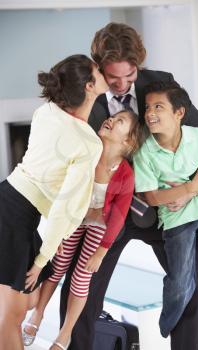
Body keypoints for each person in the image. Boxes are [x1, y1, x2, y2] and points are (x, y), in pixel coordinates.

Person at [60, 23, 198, 350]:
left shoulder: (160, 84)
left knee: (190, 289)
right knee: (81, 288)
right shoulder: (83, 92)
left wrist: (192, 186)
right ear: (99, 66)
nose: (120, 85)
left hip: (159, 209)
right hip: (105, 211)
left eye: (128, 76)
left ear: (139, 66)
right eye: (112, 77)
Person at [0, 54, 108, 350]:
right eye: (97, 69)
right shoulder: (88, 143)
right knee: (11, 317)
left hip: (7, 199)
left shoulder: (45, 111)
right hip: (16, 218)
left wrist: (47, 246)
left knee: (24, 302)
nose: (102, 70)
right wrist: (41, 258)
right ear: (89, 86)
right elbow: (67, 208)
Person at [23, 109, 142, 350]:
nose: (110, 119)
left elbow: (117, 218)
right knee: (57, 266)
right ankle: (38, 313)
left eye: (119, 121)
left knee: (81, 277)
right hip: (75, 217)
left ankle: (65, 334)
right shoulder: (88, 153)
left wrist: (102, 251)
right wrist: (63, 226)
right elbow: (65, 190)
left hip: (101, 226)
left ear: (127, 141)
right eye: (112, 116)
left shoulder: (125, 174)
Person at [133, 80, 198, 338]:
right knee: (179, 285)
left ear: (179, 113)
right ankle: (166, 325)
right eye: (147, 107)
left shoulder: (197, 137)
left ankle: (193, 287)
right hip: (176, 219)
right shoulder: (145, 153)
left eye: (158, 107)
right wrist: (188, 189)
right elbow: (152, 197)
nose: (150, 113)